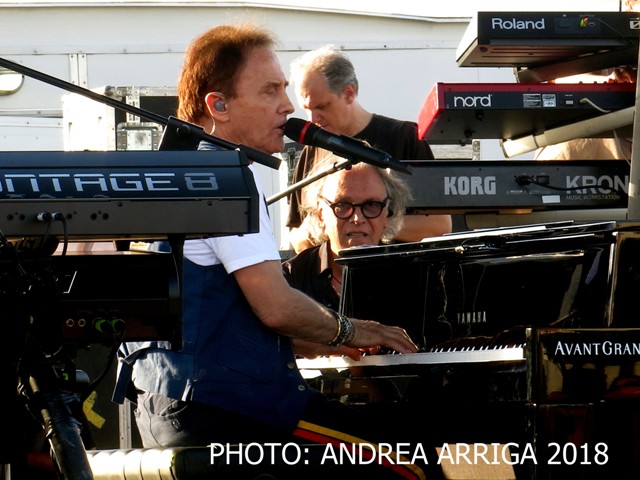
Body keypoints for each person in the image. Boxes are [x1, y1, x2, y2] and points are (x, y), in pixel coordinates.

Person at [114, 24, 433, 479]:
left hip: (171, 403)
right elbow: (276, 308)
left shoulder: (183, 170)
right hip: (227, 411)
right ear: (218, 105)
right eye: (270, 90)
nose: (288, 105)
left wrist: (329, 339)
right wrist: (356, 329)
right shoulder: (224, 181)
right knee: (407, 460)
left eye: (284, 89)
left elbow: (224, 317)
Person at [286, 44, 452, 253]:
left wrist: (372, 225)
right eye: (306, 109)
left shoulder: (404, 137)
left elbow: (439, 226)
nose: (312, 119)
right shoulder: (311, 152)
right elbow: (296, 236)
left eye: (321, 106)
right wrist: (321, 228)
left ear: (349, 93)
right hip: (330, 274)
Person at [282, 153, 409, 311]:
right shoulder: (288, 282)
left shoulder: (413, 281)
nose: (357, 219)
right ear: (320, 214)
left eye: (371, 205)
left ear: (387, 213)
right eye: (343, 205)